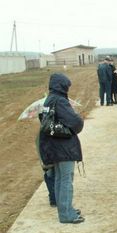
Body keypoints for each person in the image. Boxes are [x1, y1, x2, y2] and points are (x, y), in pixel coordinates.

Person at [39, 73, 85, 224]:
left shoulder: (49, 99)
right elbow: (75, 122)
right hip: (64, 146)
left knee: (59, 179)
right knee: (66, 180)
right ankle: (66, 214)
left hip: (53, 146)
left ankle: (65, 209)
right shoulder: (60, 100)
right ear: (63, 85)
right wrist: (78, 118)